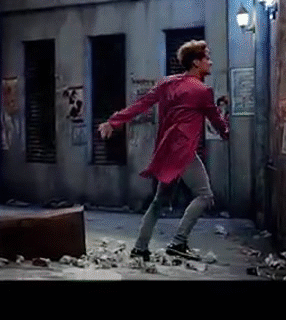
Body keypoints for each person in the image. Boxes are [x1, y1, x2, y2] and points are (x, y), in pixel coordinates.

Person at [97, 40, 229, 261]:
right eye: (207, 57)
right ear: (196, 63)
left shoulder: (167, 83)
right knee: (205, 196)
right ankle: (178, 242)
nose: (210, 62)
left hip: (166, 149)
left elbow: (141, 104)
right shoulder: (202, 90)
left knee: (159, 201)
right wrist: (226, 132)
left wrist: (113, 121)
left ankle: (140, 247)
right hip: (183, 150)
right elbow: (216, 119)